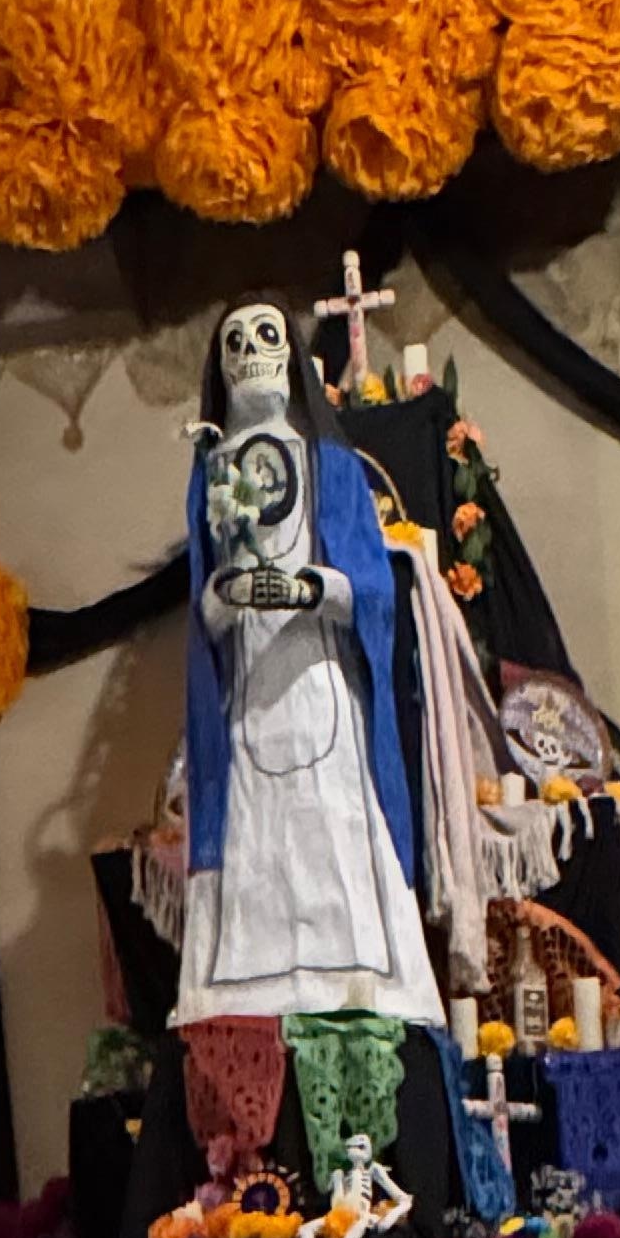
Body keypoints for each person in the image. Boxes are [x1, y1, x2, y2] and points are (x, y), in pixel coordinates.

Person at [174, 298, 443, 1032]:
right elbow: (203, 606)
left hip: (321, 688)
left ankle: (359, 978)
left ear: (290, 354)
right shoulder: (212, 471)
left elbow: (375, 590)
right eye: (233, 342)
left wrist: (310, 588)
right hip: (248, 701)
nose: (248, 353)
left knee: (332, 829)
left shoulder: (332, 465)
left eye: (264, 335)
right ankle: (246, 984)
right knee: (257, 838)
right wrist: (227, 597)